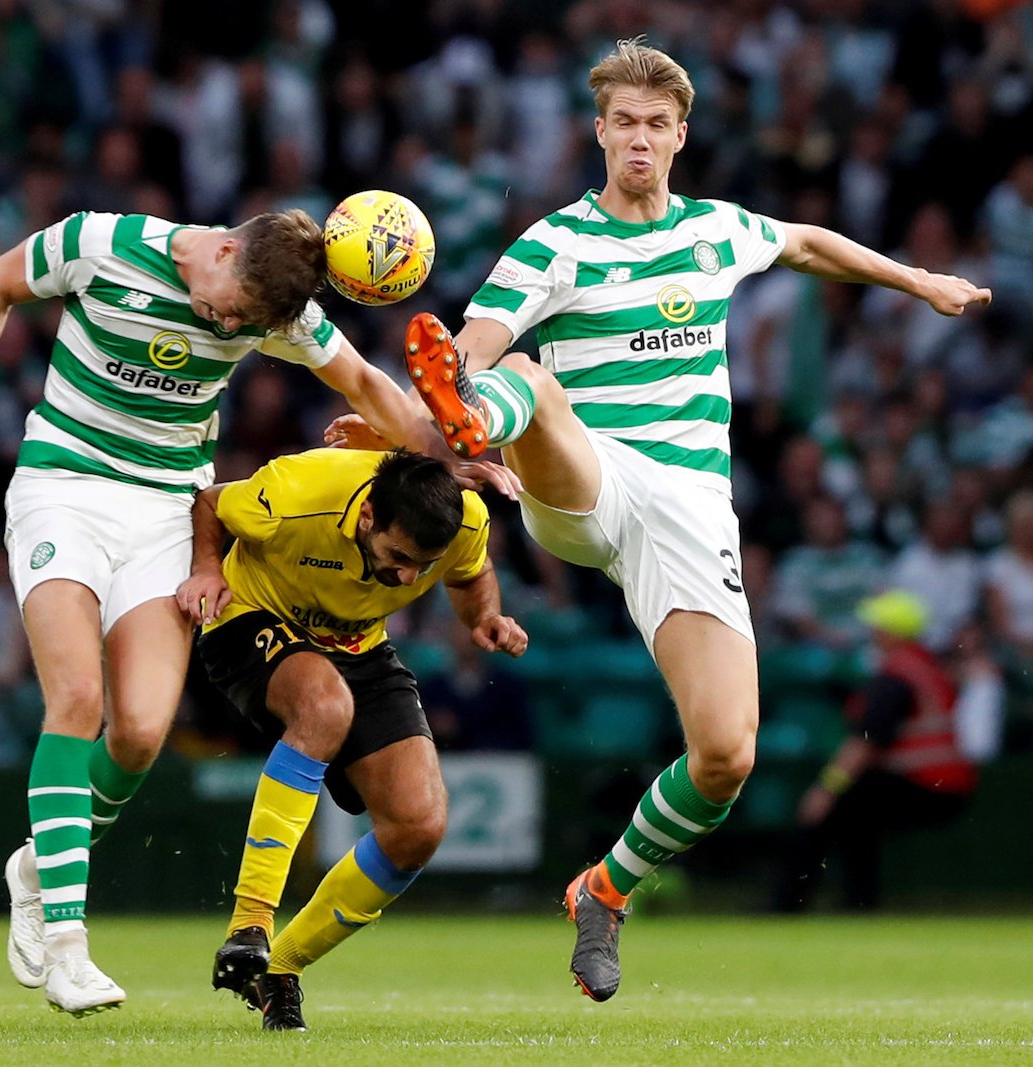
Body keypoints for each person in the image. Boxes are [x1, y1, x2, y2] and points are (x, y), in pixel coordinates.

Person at [332, 37, 991, 1002]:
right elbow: (470, 341)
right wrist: (457, 391)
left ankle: (604, 889)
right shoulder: (554, 244)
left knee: (726, 753)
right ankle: (481, 421)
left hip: (690, 507)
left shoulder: (716, 232)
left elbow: (808, 241)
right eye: (622, 123)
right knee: (522, 379)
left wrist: (920, 281)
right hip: (586, 480)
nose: (638, 139)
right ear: (598, 133)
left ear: (679, 136)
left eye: (655, 124)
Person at [0, 207, 509, 1016]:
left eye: (244, 326)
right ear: (220, 250)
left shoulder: (276, 308)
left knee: (140, 733)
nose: (225, 325)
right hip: (63, 488)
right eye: (229, 308)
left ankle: (39, 866)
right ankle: (67, 942)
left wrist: (444, 456)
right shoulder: (99, 245)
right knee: (77, 700)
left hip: (165, 509)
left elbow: (361, 381)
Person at [175, 447, 526, 1031]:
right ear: (367, 517)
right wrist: (208, 567)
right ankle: (249, 923)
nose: (410, 577)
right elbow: (211, 501)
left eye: (422, 564)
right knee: (324, 705)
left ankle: (280, 969)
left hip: (357, 645)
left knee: (419, 825)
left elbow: (470, 570)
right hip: (252, 618)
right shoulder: (296, 494)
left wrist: (482, 617)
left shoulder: (461, 518)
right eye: (399, 557)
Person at [771, 591, 977, 912]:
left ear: (893, 633)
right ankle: (858, 903)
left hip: (926, 784)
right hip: (945, 786)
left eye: (878, 627)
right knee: (856, 818)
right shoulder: (925, 666)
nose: (872, 633)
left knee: (827, 812)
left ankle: (788, 905)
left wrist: (826, 789)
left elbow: (864, 743)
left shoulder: (897, 675)